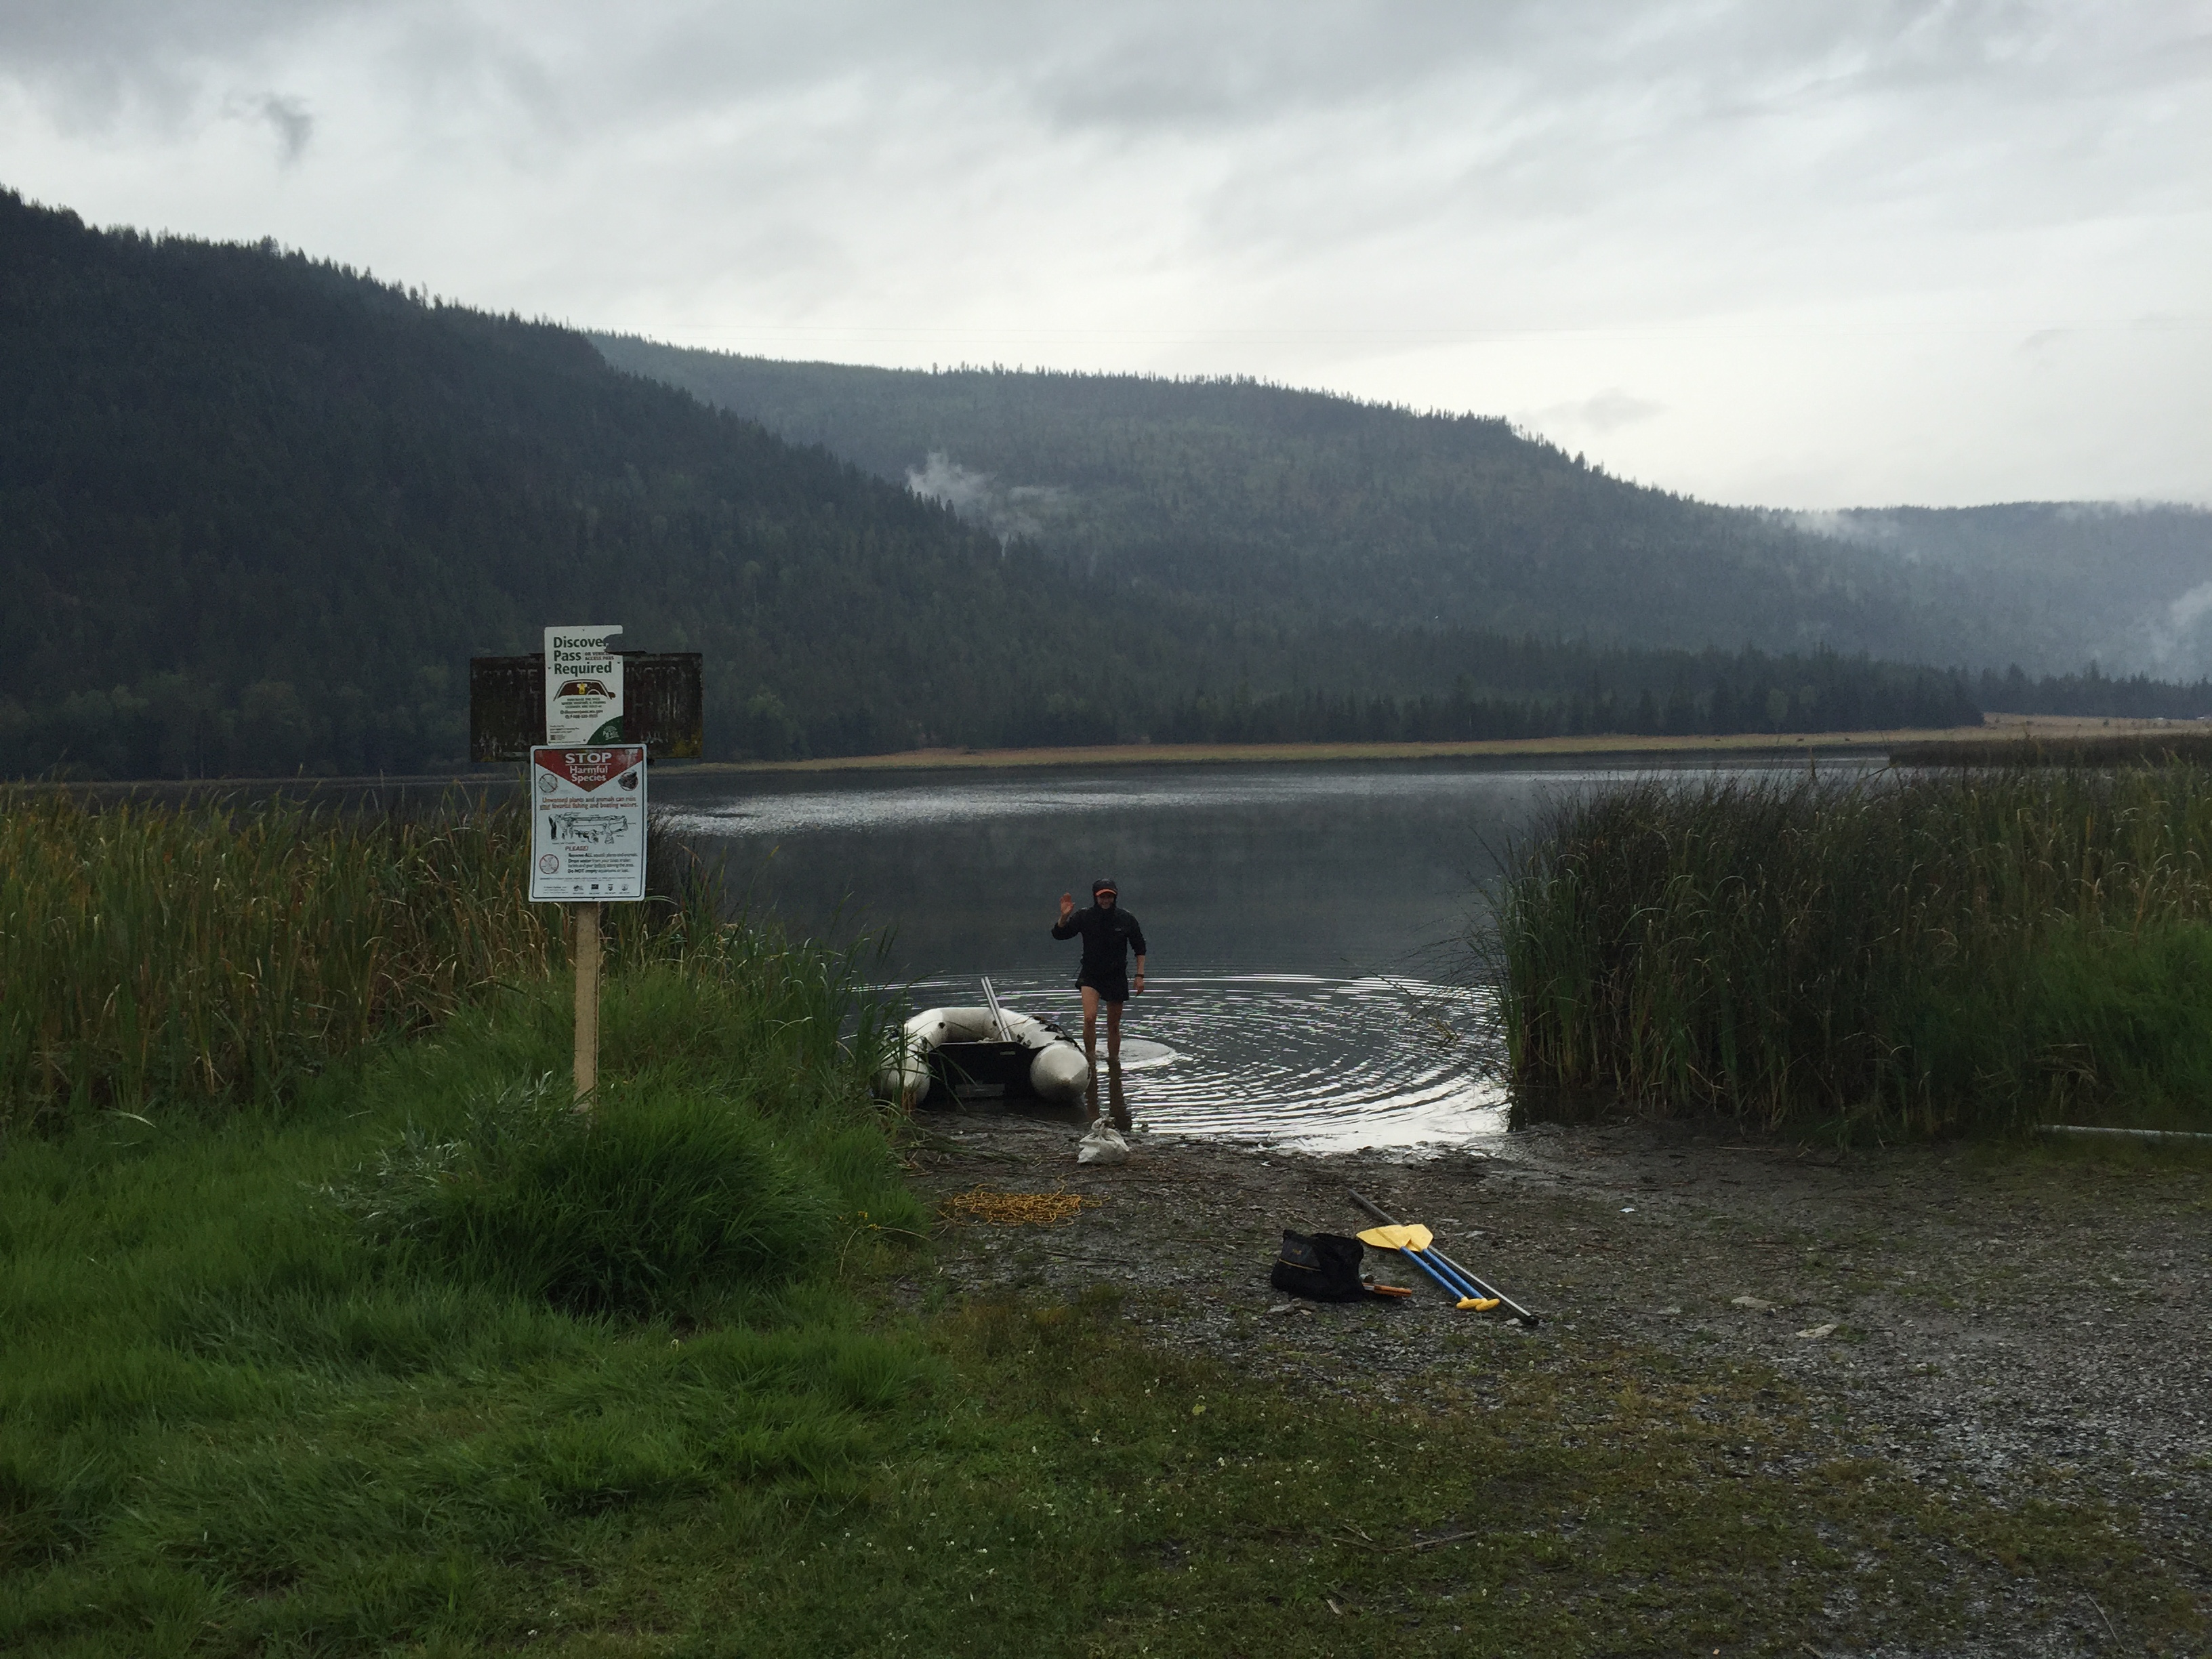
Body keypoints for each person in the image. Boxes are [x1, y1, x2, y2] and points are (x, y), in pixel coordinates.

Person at [1052, 878, 1147, 1063]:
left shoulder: (1125, 918)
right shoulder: (1084, 916)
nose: (1106, 900)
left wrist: (1140, 976)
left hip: (1116, 975)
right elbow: (1060, 935)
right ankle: (1090, 1059)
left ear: (1115, 897)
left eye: (1109, 897)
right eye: (1102, 897)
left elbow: (1140, 947)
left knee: (1113, 1025)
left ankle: (1114, 1061)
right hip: (1091, 975)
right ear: (1095, 897)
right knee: (1089, 1018)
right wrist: (1064, 917)